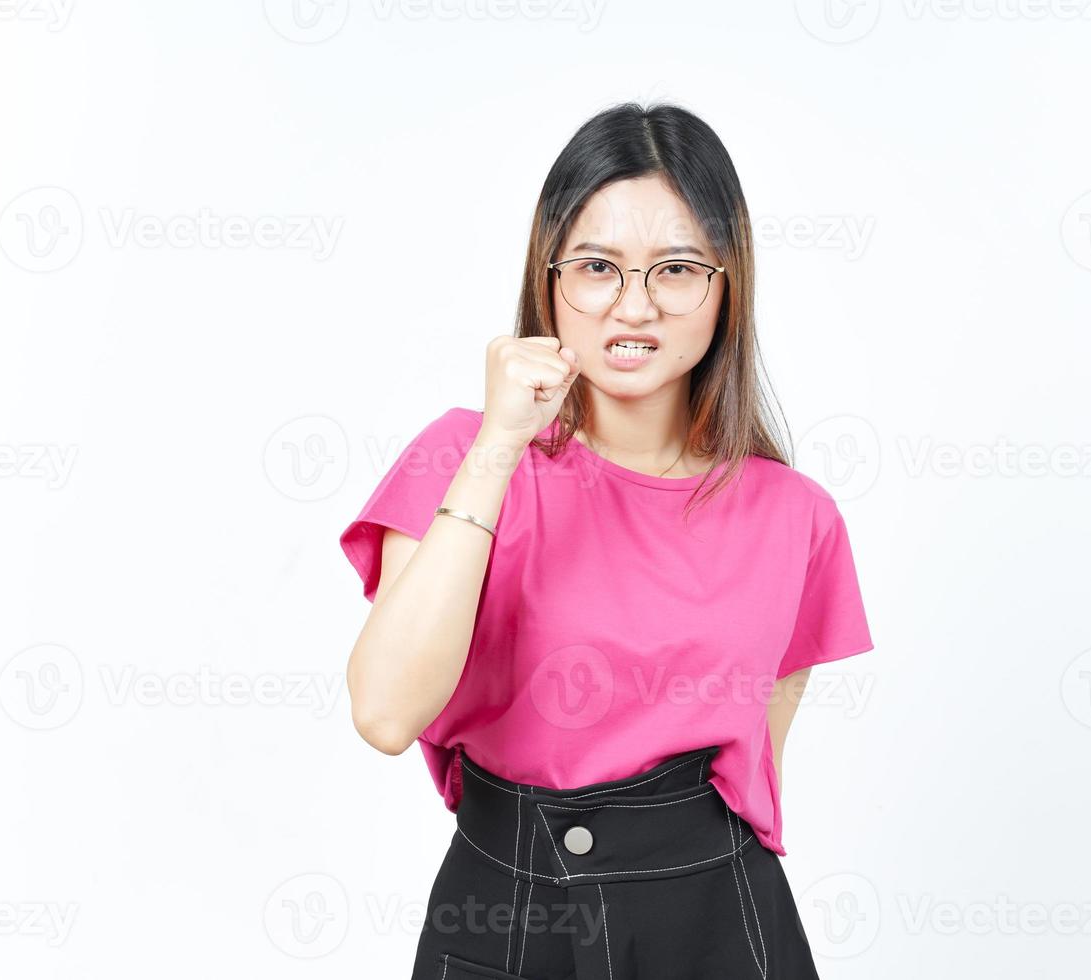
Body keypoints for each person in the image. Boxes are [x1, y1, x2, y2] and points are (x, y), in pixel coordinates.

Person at [339, 101, 875, 980]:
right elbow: (385, 712)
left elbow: (759, 773)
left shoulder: (795, 516)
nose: (635, 306)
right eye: (597, 267)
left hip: (718, 923)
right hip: (505, 916)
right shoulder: (461, 455)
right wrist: (499, 448)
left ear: (727, 282)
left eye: (676, 269)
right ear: (548, 278)